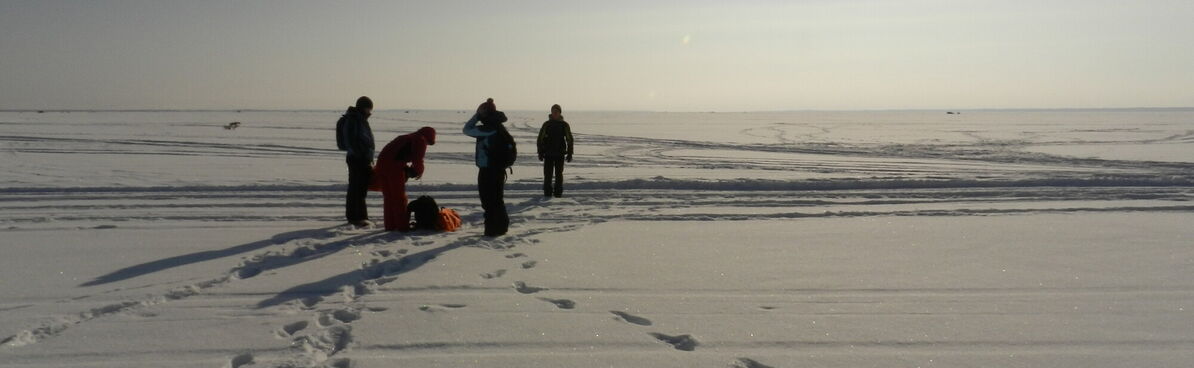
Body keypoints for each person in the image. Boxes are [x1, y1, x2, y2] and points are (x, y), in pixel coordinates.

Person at [462, 98, 513, 237]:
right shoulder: (498, 126)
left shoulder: (488, 129)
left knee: (489, 201)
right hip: (498, 169)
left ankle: (492, 230)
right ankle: (501, 228)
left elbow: (466, 129)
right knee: (497, 199)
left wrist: (477, 116)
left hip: (489, 170)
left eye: (481, 112)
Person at [374, 127, 436, 231]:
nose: (427, 145)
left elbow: (395, 155)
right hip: (393, 168)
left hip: (381, 166)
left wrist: (407, 168)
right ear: (429, 137)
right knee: (399, 198)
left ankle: (390, 225)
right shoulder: (420, 140)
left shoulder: (407, 137)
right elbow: (418, 159)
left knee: (389, 197)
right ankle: (402, 226)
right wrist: (419, 171)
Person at [339, 96, 375, 228]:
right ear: (363, 108)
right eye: (369, 109)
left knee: (359, 187)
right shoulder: (354, 119)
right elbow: (351, 140)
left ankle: (359, 216)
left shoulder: (359, 119)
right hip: (357, 159)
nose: (370, 112)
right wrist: (361, 154)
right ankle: (357, 217)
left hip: (361, 158)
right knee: (357, 188)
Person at [536, 104, 574, 198]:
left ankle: (558, 193)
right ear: (551, 113)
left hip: (560, 153)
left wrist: (570, 153)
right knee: (548, 175)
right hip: (548, 153)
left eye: (556, 111)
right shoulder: (546, 124)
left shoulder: (564, 125)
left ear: (559, 113)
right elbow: (540, 139)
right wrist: (540, 152)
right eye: (553, 111)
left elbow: (569, 139)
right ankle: (547, 193)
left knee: (559, 174)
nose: (555, 113)